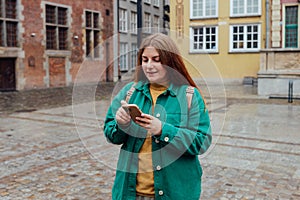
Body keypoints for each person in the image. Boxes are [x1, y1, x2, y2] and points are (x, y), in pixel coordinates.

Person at [104, 33, 212, 200]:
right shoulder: (129, 92)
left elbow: (202, 142)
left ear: (170, 62)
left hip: (174, 194)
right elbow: (111, 133)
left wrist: (163, 130)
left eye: (156, 59)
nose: (149, 66)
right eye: (145, 60)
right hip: (132, 193)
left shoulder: (189, 96)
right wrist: (120, 124)